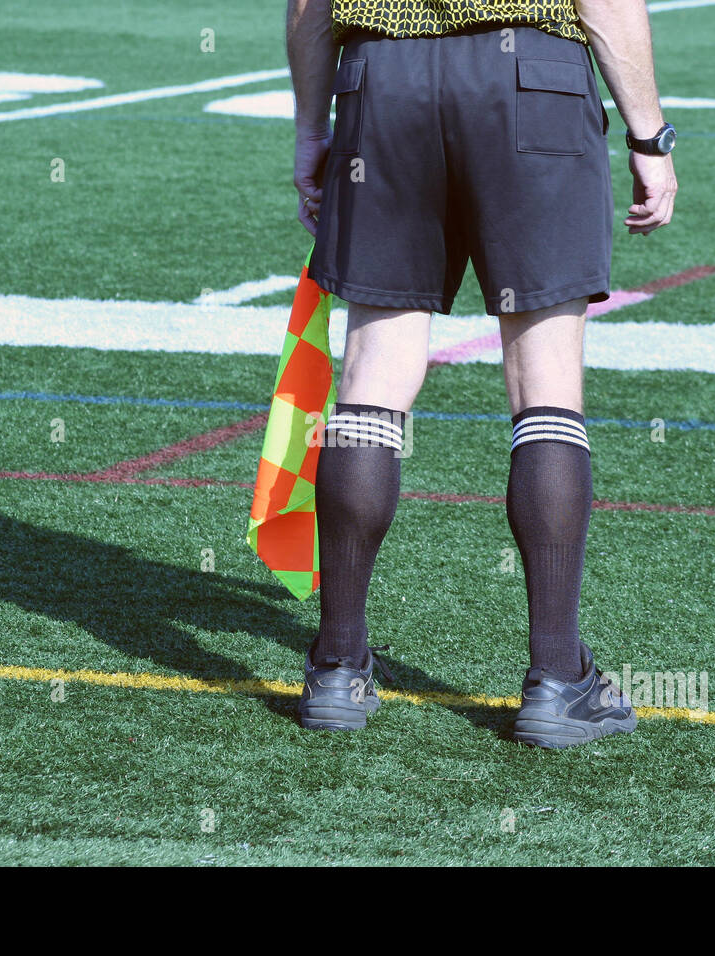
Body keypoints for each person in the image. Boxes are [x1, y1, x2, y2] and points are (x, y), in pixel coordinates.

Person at [286, 0, 677, 747]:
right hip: (531, 81)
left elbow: (311, 4)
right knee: (545, 382)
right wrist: (649, 133)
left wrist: (312, 126)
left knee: (371, 371)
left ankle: (337, 665)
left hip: (384, 79)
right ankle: (559, 679)